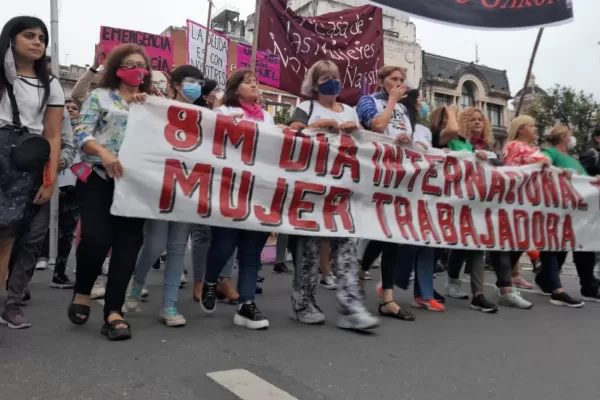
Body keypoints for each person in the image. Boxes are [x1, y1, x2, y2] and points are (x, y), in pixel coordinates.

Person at [67, 43, 152, 341]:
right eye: (129, 63)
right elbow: (81, 132)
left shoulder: (151, 104)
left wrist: (148, 108)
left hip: (135, 187)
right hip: (98, 179)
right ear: (116, 67)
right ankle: (83, 289)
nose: (135, 69)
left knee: (128, 246)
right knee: (97, 238)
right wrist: (103, 153)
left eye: (141, 64)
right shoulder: (99, 97)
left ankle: (114, 312)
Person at [288, 60, 379, 329]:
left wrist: (357, 132)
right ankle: (303, 303)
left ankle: (351, 307)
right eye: (326, 77)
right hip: (313, 188)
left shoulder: (350, 110)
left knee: (347, 248)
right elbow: (291, 133)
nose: (332, 81)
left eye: (335, 76)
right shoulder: (306, 108)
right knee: (310, 250)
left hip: (344, 188)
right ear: (315, 84)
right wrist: (316, 128)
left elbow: (364, 143)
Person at [125, 65, 207, 327]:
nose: (196, 86)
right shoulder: (158, 108)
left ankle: (169, 305)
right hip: (161, 188)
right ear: (176, 84)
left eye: (200, 82)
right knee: (155, 243)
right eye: (191, 81)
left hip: (188, 190)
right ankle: (136, 283)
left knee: (178, 248)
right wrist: (139, 100)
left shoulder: (207, 116)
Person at [0, 17, 64, 328]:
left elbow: (53, 135)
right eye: (29, 35)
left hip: (29, 164)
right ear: (11, 39)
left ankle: (9, 303)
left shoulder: (51, 84)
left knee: (15, 239)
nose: (38, 42)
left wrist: (49, 181)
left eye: (42, 38)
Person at [200, 69, 272, 330]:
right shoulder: (221, 114)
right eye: (247, 81)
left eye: (256, 82)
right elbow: (206, 145)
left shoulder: (268, 119)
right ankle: (211, 282)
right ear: (234, 88)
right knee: (224, 244)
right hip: (228, 189)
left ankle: (246, 305)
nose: (254, 85)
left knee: (251, 250)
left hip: (258, 191)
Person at [503, 115, 584, 308]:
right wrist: (553, 169)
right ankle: (506, 283)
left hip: (538, 204)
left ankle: (556, 289)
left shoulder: (533, 149)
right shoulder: (514, 146)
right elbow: (518, 171)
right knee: (519, 244)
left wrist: (558, 171)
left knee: (540, 243)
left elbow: (543, 168)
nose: (535, 129)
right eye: (531, 126)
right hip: (522, 203)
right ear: (521, 128)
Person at [188, 78, 240, 304]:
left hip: (232, 181)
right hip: (206, 177)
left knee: (229, 232)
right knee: (203, 232)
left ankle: (224, 279)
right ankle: (199, 280)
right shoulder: (210, 110)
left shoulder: (249, 114)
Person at [542, 125, 600, 302]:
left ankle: (588, 285)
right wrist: (558, 170)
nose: (572, 137)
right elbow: (544, 164)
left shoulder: (573, 160)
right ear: (561, 137)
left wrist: (594, 180)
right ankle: (549, 281)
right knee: (558, 247)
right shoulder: (551, 152)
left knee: (582, 247)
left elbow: (583, 180)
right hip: (557, 208)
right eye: (569, 134)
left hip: (576, 210)